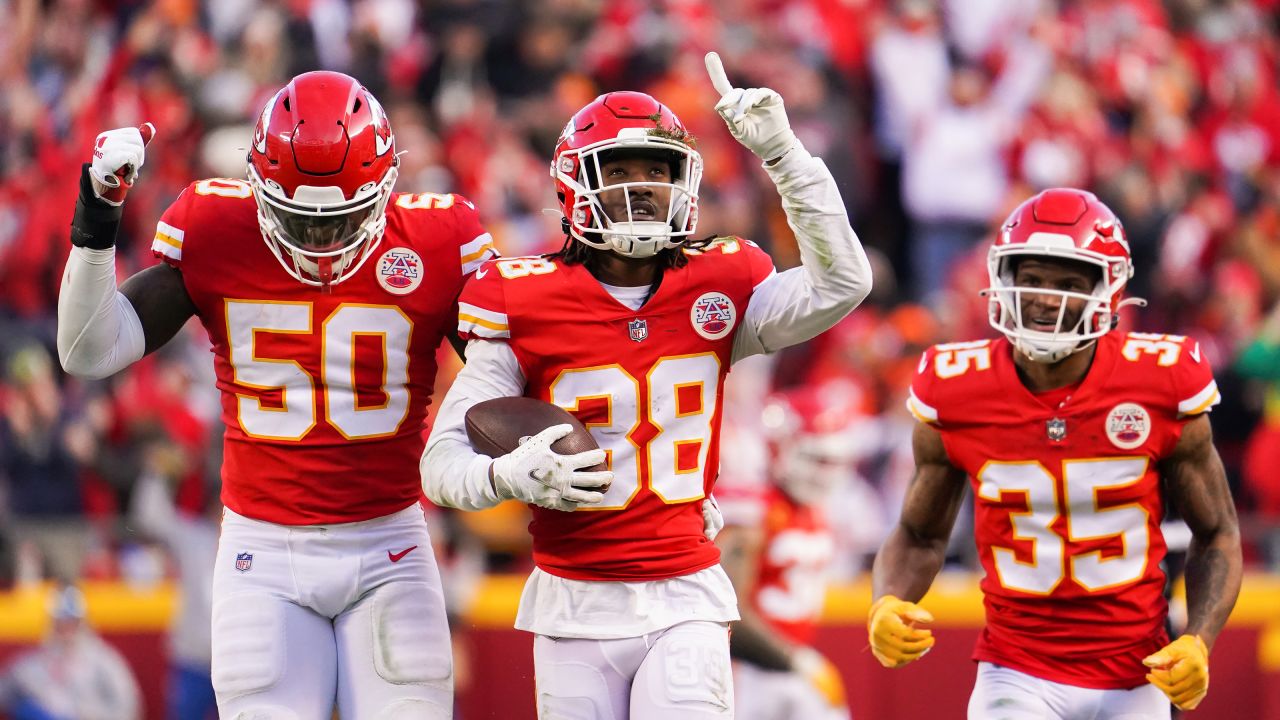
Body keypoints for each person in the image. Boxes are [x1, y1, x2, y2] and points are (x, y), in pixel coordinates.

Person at [421, 52, 873, 719]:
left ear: (683, 183)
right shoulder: (522, 296)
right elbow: (441, 464)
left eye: (656, 172)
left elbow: (843, 284)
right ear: (577, 184)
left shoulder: (720, 281)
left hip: (686, 589)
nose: (640, 188)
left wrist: (784, 156)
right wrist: (510, 477)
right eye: (619, 171)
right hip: (573, 596)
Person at [56, 70, 497, 719]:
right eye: (300, 218)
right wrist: (97, 216)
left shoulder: (437, 239)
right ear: (258, 188)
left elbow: (510, 371)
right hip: (261, 551)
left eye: (339, 219)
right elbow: (87, 350)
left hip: (390, 545)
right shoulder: (215, 226)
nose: (319, 242)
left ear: (386, 187)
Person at [868, 188, 1242, 719]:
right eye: (1034, 279)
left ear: (1108, 291)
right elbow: (919, 533)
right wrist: (886, 599)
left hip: (1138, 672)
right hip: (1016, 670)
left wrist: (1199, 639)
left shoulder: (1160, 381)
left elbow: (1218, 533)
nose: (1046, 299)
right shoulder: (955, 388)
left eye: (1069, 283)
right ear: (1003, 280)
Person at [716, 381, 862, 720]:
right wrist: (796, 660)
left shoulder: (813, 511)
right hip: (747, 672)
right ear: (781, 449)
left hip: (788, 666)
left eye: (833, 461)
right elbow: (728, 612)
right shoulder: (753, 512)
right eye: (816, 458)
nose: (825, 474)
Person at [0, 584, 142, 720]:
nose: (67, 630)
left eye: (72, 623)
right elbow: (6, 691)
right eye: (61, 623)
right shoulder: (34, 663)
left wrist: (85, 713)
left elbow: (128, 708)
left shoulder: (104, 661)